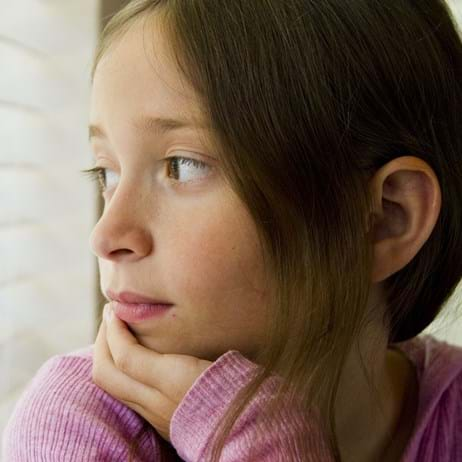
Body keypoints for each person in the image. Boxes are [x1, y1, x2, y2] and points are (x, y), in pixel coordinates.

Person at [2, 0, 462, 461]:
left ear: (387, 219)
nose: (105, 236)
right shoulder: (74, 426)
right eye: (105, 172)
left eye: (181, 166)